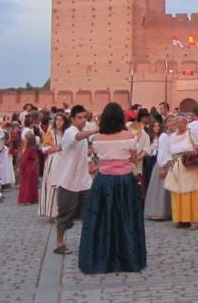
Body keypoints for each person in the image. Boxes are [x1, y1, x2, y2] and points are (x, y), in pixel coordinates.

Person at [78, 102, 146, 274]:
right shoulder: (129, 136)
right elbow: (133, 158)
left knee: (103, 218)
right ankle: (127, 257)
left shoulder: (97, 139)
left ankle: (102, 256)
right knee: (126, 218)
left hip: (103, 181)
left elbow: (97, 158)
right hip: (124, 181)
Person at [54, 104, 98, 255]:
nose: (83, 120)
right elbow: (77, 137)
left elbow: (83, 153)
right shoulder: (69, 132)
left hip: (83, 180)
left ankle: (89, 242)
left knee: (89, 212)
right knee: (65, 214)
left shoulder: (81, 134)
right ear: (72, 119)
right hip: (68, 181)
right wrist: (94, 130)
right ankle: (59, 243)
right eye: (80, 118)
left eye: (85, 117)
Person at [164, 115, 198, 229]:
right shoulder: (172, 136)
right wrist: (170, 161)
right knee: (178, 193)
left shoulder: (191, 133)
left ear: (185, 123)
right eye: (176, 123)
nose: (179, 125)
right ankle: (182, 219)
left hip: (189, 166)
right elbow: (169, 151)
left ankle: (195, 220)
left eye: (181, 122)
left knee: (192, 192)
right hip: (177, 167)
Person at [144, 115, 174, 220]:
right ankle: (158, 212)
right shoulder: (164, 136)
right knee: (160, 190)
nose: (172, 123)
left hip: (171, 164)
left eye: (173, 121)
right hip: (164, 164)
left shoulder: (173, 135)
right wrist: (162, 166)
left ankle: (169, 212)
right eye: (169, 121)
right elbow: (161, 152)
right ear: (165, 124)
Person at [40, 113, 68, 219]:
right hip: (54, 160)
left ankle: (62, 210)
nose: (58, 122)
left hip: (65, 160)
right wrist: (58, 148)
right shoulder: (51, 132)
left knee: (64, 186)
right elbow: (44, 149)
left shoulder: (67, 133)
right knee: (52, 185)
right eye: (57, 120)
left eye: (61, 120)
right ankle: (51, 212)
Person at [18, 132, 40, 205]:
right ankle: (33, 199)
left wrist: (20, 167)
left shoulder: (28, 149)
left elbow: (24, 159)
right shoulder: (34, 148)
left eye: (25, 139)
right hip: (33, 166)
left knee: (26, 184)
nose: (24, 140)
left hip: (28, 167)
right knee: (32, 183)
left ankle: (26, 199)